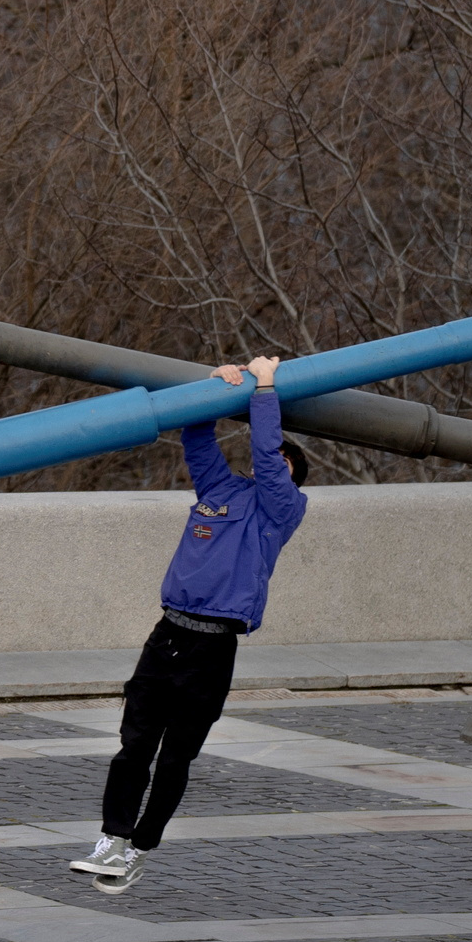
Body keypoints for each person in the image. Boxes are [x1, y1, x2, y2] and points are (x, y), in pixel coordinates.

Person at [70, 355, 302, 893]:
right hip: (168, 637)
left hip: (213, 650)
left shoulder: (283, 511)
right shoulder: (219, 494)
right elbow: (199, 445)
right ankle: (111, 840)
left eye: (287, 459)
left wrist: (264, 388)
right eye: (275, 454)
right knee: (134, 747)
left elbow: (269, 457)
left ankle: (140, 847)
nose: (274, 460)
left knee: (175, 758)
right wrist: (210, 392)